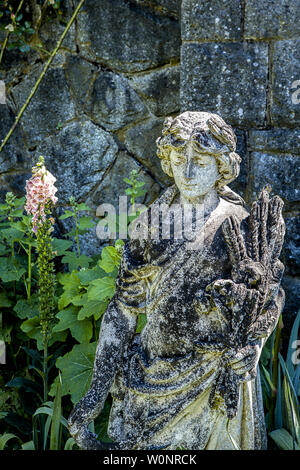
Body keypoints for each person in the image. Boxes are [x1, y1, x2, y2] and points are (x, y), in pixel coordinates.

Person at [68, 111, 285, 450]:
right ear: (167, 160)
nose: (187, 172)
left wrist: (253, 349)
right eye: (178, 158)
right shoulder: (150, 225)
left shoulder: (239, 226)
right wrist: (97, 390)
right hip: (152, 377)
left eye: (199, 161)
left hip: (216, 380)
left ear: (221, 166)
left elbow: (268, 298)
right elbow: (123, 309)